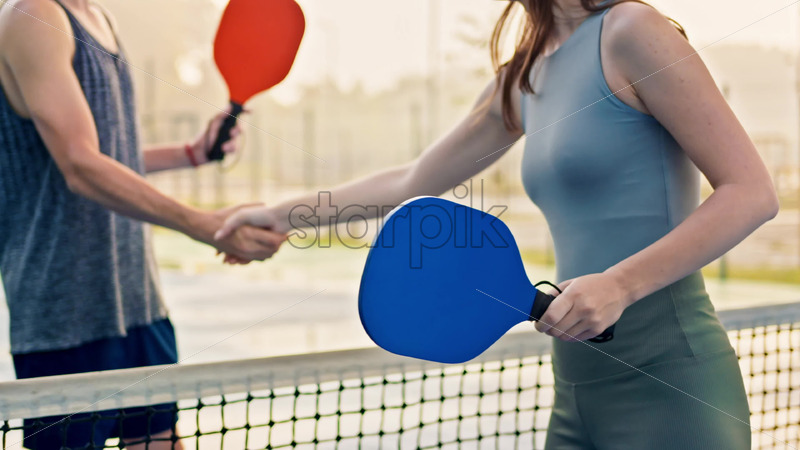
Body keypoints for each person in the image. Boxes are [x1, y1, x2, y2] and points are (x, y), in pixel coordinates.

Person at [216, 0, 779, 448]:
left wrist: (619, 285)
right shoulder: (526, 75)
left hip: (671, 382)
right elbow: (412, 182)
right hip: (576, 387)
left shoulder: (633, 29)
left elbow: (751, 193)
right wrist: (280, 215)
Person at [0, 0, 285, 448]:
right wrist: (202, 223)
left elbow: (112, 155)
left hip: (139, 306)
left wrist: (191, 154)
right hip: (65, 313)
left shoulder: (97, 18)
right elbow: (80, 163)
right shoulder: (33, 17)